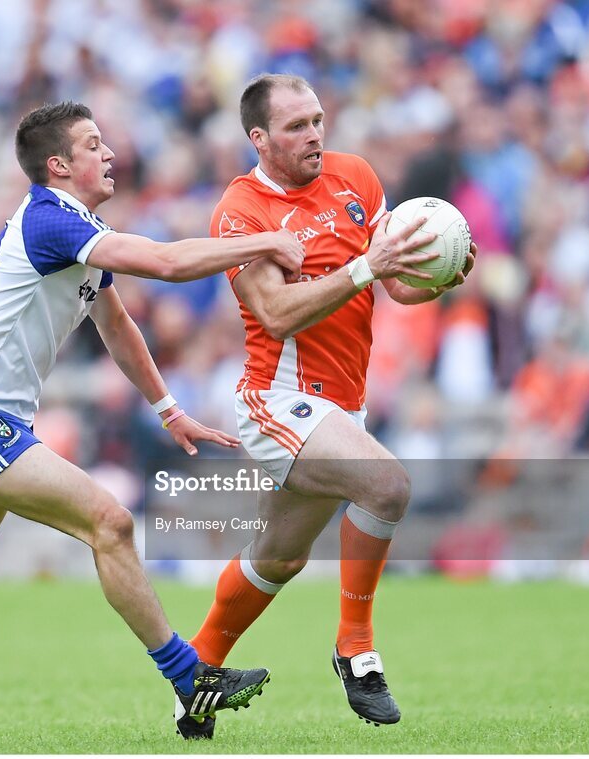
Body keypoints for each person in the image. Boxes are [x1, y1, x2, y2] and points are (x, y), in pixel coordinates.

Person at [0, 101, 305, 731]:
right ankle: (191, 676)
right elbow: (166, 263)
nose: (110, 153)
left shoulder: (73, 232)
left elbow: (117, 325)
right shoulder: (52, 219)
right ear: (59, 165)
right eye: (94, 144)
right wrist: (266, 238)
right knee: (111, 523)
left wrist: (169, 409)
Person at [180, 75, 477, 738]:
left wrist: (435, 276)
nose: (313, 133)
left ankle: (193, 677)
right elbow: (275, 313)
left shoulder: (355, 177)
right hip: (275, 402)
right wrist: (369, 269)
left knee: (278, 558)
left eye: (316, 119)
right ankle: (355, 647)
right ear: (258, 139)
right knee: (388, 485)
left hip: (341, 408)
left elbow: (389, 283)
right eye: (294, 126)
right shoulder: (241, 210)